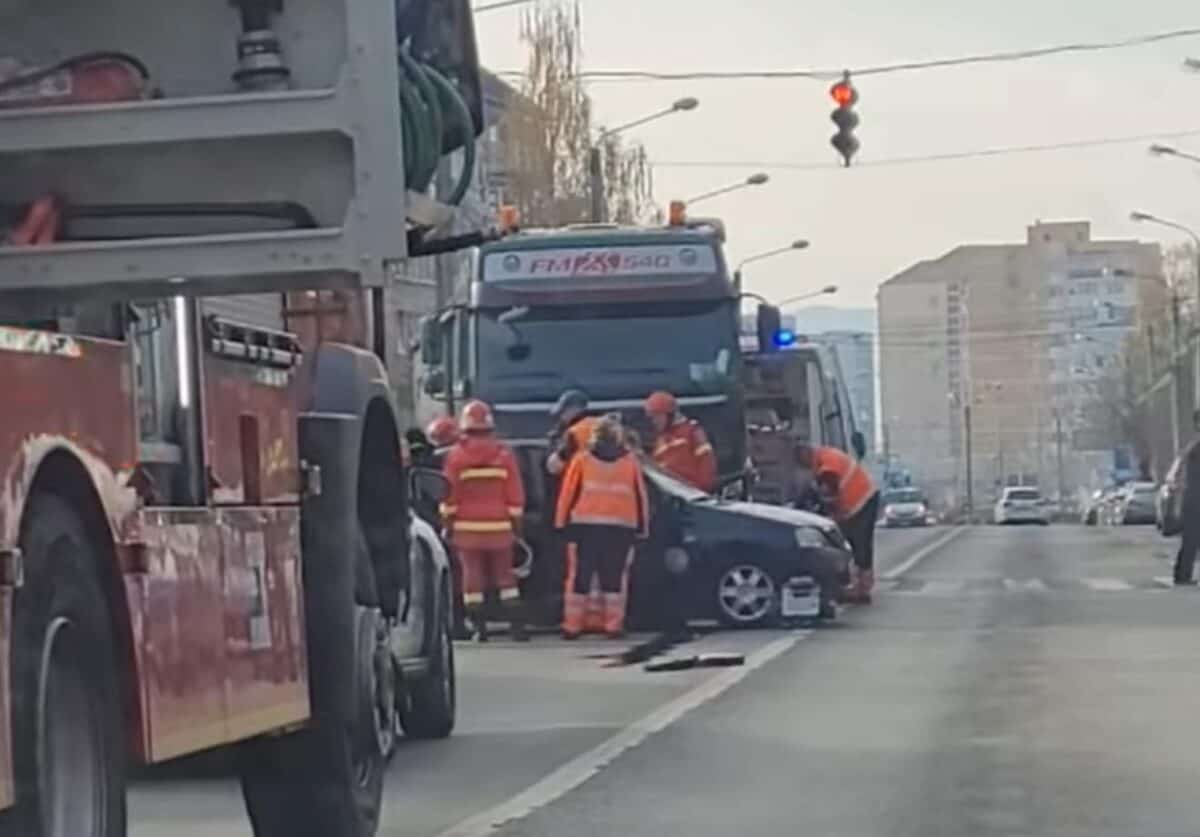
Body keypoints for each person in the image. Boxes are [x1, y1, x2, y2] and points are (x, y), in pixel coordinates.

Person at [555, 415, 650, 639]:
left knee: (580, 578)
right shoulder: (630, 462)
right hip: (621, 528)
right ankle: (613, 626)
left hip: (584, 527)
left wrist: (560, 523)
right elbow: (640, 497)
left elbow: (568, 493)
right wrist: (642, 528)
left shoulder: (582, 460)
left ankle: (572, 626)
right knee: (614, 580)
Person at [441, 400, 528, 641]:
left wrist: (447, 525)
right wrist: (516, 526)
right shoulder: (504, 454)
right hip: (500, 529)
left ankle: (480, 630)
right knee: (506, 579)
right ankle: (517, 629)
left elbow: (449, 495)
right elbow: (515, 494)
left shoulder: (456, 456)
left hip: (466, 531)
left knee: (473, 581)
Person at [793, 442, 880, 604]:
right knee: (852, 542)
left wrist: (826, 513)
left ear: (806, 455)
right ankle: (857, 585)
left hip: (862, 501)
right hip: (857, 503)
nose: (803, 467)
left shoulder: (827, 466)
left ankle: (862, 588)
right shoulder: (823, 459)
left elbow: (828, 493)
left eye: (802, 463)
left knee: (859, 543)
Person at [644, 391, 717, 493]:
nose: (654, 421)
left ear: (670, 414)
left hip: (692, 495)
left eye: (657, 416)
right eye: (652, 417)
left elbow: (707, 464)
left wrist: (700, 491)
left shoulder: (692, 432)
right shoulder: (659, 440)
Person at [1173, 409, 1200, 586]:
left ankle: (1182, 575)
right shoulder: (1196, 447)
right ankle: (1182, 575)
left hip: (1192, 499)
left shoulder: (1193, 446)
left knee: (1190, 540)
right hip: (1195, 500)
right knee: (1191, 540)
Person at [546, 389, 598, 478]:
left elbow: (554, 467)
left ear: (573, 410)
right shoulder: (603, 427)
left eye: (563, 412)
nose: (561, 417)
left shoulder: (574, 433)